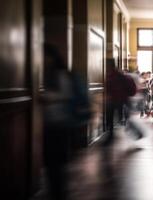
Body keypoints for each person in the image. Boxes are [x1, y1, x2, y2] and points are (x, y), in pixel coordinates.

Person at [42, 44, 91, 200]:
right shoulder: (53, 74)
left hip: (60, 122)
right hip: (57, 122)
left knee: (55, 162)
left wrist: (47, 97)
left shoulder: (60, 74)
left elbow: (66, 95)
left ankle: (58, 192)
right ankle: (58, 190)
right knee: (56, 161)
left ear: (51, 57)